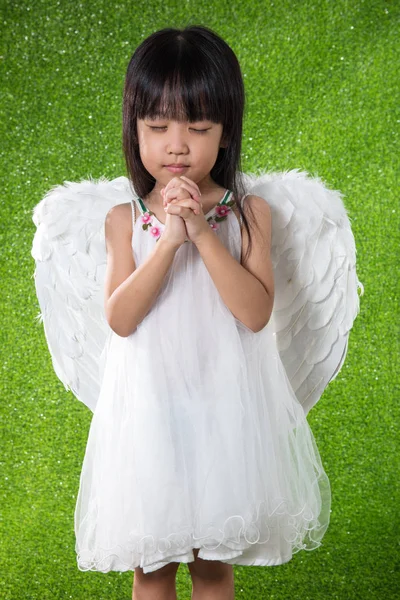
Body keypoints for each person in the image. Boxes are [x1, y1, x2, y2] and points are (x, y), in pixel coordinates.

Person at [74, 25, 332, 600]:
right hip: (150, 414)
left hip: (223, 411)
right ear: (134, 129)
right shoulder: (125, 219)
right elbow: (120, 318)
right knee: (152, 566)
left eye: (199, 127)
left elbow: (255, 312)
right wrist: (167, 241)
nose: (178, 145)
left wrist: (201, 234)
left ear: (226, 131)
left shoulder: (249, 213)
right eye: (158, 127)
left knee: (213, 564)